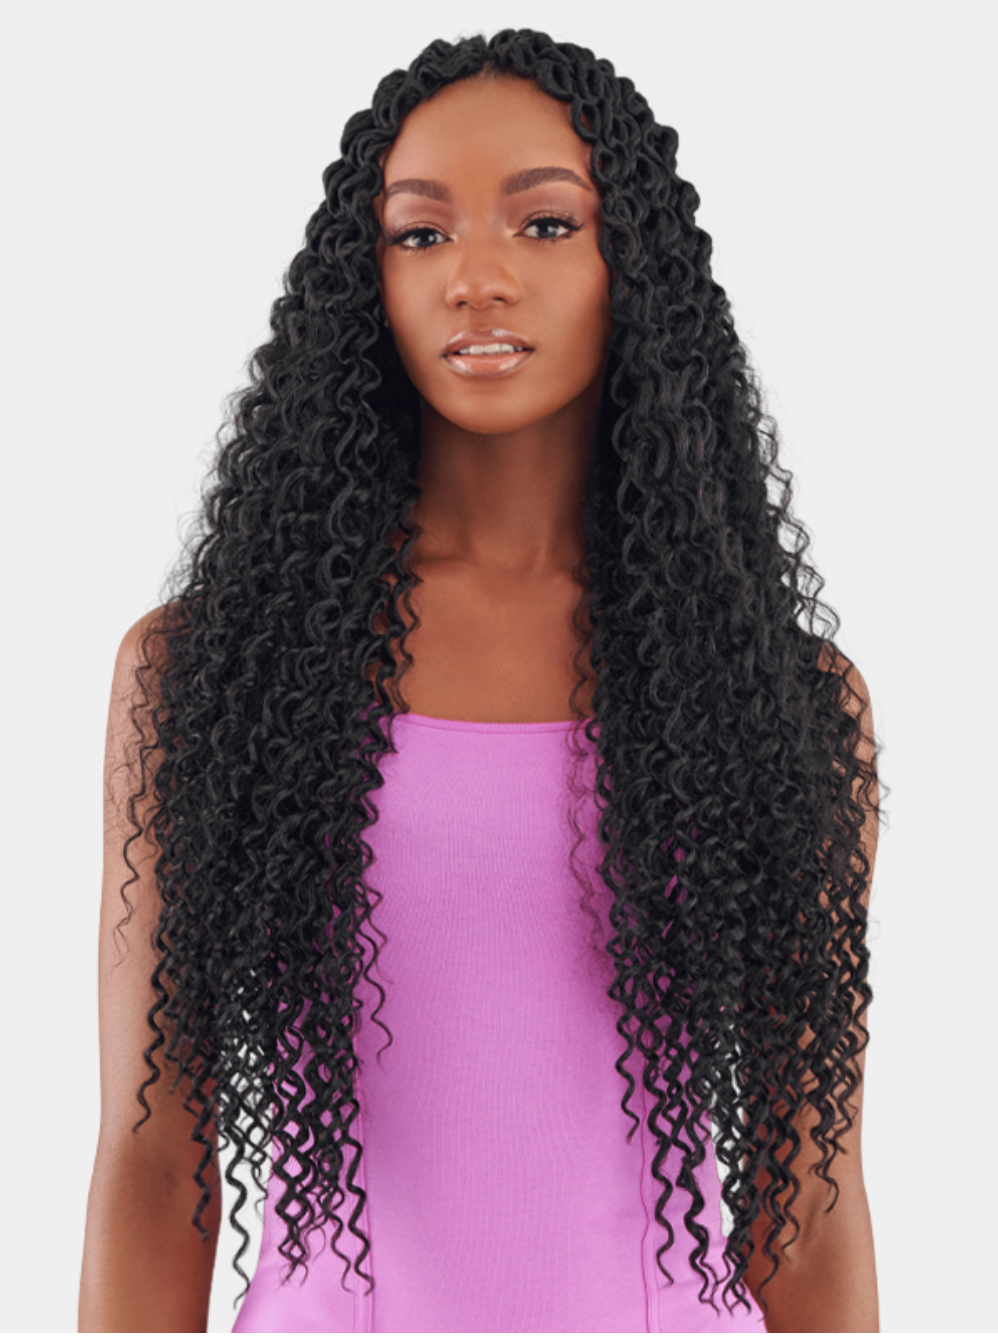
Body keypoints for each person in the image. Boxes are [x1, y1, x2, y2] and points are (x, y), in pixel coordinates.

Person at [78, 27, 883, 1335]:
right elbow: (152, 1160)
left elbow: (811, 1207)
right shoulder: (208, 674)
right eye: (420, 234)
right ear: (369, 281)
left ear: (634, 268)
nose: (477, 278)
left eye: (545, 224)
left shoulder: (779, 701)